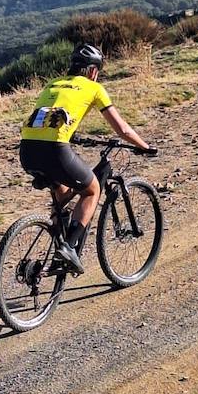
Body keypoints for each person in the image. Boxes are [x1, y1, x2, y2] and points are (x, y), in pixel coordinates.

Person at [19, 43, 155, 272]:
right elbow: (122, 129)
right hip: (54, 150)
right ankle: (68, 248)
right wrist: (145, 147)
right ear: (93, 71)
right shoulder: (94, 88)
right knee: (91, 190)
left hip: (27, 150)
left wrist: (74, 135)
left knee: (61, 193)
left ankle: (57, 237)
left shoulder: (53, 84)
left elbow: (49, 118)